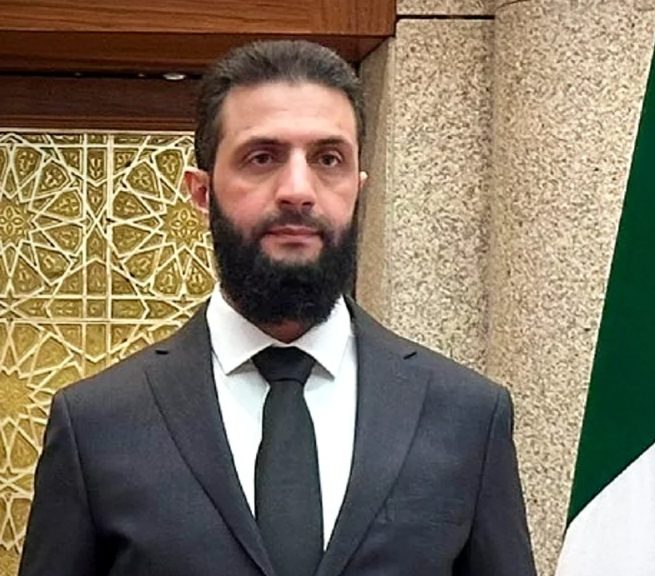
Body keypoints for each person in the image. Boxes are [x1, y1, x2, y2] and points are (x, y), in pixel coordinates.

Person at [19, 40, 536, 576]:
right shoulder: (97, 424)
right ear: (201, 192)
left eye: (327, 159)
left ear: (359, 190)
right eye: (261, 157)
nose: (297, 190)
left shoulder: (467, 417)